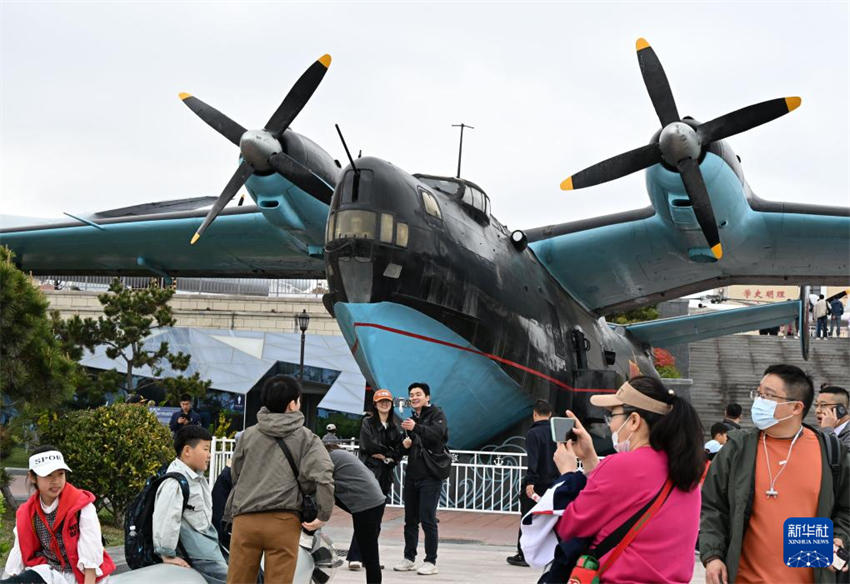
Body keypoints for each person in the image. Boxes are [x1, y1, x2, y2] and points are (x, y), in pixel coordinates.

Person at [700, 364, 850, 584]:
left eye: (768, 396)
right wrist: (712, 555)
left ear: (796, 407)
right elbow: (713, 506)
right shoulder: (738, 449)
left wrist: (838, 537)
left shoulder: (830, 452)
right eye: (759, 393)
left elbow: (846, 509)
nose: (758, 401)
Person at [549, 376, 704, 583]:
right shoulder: (685, 471)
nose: (611, 425)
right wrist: (589, 459)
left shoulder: (621, 465)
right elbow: (627, 502)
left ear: (634, 421)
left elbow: (569, 526)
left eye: (612, 415)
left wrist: (568, 474)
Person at [224, 375, 334, 584]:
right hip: (283, 521)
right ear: (292, 404)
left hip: (245, 519)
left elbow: (235, 474)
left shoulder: (248, 435)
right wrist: (323, 513)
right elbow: (324, 476)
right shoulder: (307, 438)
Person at [1, 446, 115, 584]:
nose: (55, 481)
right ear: (32, 477)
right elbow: (19, 551)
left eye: (60, 474)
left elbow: (91, 560)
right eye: (48, 475)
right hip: (51, 573)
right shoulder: (27, 512)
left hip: (84, 577)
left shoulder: (81, 506)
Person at [153, 425, 228, 584]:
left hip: (209, 545)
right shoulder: (175, 482)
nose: (209, 455)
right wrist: (166, 554)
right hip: (199, 553)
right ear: (187, 451)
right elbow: (166, 519)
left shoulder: (197, 478)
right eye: (206, 449)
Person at [394, 382, 448, 576]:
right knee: (410, 520)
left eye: (418, 394)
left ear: (427, 398)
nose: (414, 397)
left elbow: (437, 435)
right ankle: (409, 558)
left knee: (428, 518)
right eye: (411, 394)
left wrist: (416, 427)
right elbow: (404, 447)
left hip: (430, 476)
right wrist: (405, 444)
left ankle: (430, 560)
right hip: (413, 475)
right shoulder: (410, 419)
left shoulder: (437, 415)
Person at [347, 388, 403, 570]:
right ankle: (355, 556)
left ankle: (370, 558)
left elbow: (399, 451)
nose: (384, 404)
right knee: (364, 516)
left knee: (376, 519)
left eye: (387, 401)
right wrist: (390, 453)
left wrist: (387, 455)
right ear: (375, 404)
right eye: (381, 401)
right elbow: (369, 445)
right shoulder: (368, 423)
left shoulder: (395, 426)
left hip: (385, 476)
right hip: (369, 475)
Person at [506, 399, 558, 568]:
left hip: (537, 483)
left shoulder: (533, 433)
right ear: (550, 414)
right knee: (552, 518)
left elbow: (533, 460)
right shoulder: (557, 432)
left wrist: (530, 482)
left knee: (528, 518)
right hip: (555, 482)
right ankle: (552, 553)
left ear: (534, 414)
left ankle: (524, 554)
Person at [325, 443, 387, 583]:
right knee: (370, 553)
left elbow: (323, 485)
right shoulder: (342, 455)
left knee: (370, 555)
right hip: (376, 500)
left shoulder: (330, 458)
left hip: (367, 505)